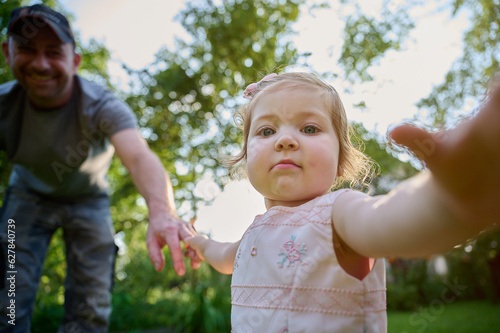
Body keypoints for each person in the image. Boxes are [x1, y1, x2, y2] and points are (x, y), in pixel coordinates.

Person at [185, 70, 500, 332]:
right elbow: (224, 255)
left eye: (309, 128)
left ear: (340, 159)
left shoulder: (339, 214)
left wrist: (449, 201)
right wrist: (197, 242)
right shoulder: (253, 235)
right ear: (245, 157)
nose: (285, 139)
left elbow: (390, 219)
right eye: (267, 130)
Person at [0, 4, 199, 332]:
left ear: (75, 61)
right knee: (8, 297)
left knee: (90, 307)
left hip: (89, 200)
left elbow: (138, 156)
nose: (40, 63)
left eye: (53, 52)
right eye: (26, 50)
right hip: (27, 195)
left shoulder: (101, 105)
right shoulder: (5, 104)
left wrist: (162, 212)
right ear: (7, 52)